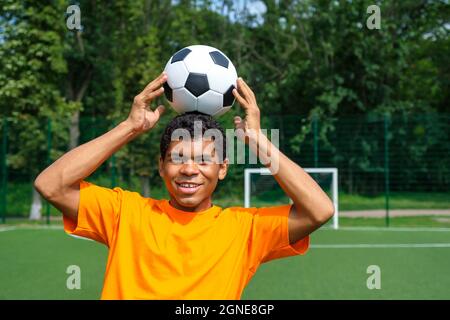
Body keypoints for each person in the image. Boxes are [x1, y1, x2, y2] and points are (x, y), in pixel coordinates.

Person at [34, 72, 334, 300]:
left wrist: (257, 140)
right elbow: (51, 185)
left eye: (204, 160)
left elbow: (319, 210)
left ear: (223, 169)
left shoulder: (244, 230)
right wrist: (129, 128)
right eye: (178, 158)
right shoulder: (124, 213)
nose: (190, 169)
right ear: (161, 166)